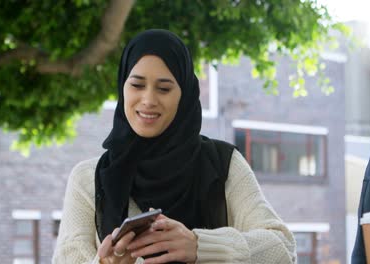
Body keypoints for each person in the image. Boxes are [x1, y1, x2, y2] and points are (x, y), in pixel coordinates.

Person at [52, 29, 296, 264]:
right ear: (122, 88)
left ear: (184, 94)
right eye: (137, 85)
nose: (148, 100)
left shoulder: (222, 164)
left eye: (164, 88)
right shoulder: (88, 179)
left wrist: (199, 246)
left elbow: (282, 248)